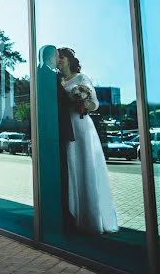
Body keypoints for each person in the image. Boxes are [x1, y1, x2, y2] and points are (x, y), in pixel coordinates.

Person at [58, 47, 119, 234]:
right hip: (65, 126)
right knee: (70, 166)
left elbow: (95, 104)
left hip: (81, 125)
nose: (58, 61)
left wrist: (82, 101)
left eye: (60, 58)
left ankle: (90, 218)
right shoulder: (58, 81)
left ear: (68, 60)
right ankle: (72, 213)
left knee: (84, 165)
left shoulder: (82, 78)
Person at [38, 45, 74, 232]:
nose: (59, 59)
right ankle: (62, 217)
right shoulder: (50, 77)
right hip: (54, 133)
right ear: (52, 57)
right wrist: (76, 98)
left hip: (45, 132)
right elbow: (63, 101)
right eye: (57, 56)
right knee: (60, 175)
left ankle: (52, 213)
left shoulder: (38, 74)